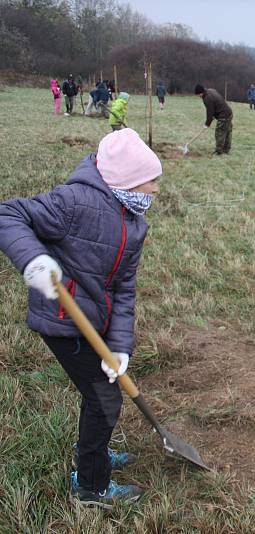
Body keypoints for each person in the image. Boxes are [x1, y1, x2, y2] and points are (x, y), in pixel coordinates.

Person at [0, 128, 163, 507]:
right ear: (124, 181)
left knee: (101, 396)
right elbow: (7, 214)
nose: (155, 189)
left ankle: (95, 455)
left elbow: (124, 289)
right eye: (149, 181)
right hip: (64, 321)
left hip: (98, 321)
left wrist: (120, 346)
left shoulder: (134, 222)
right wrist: (33, 261)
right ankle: (92, 486)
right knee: (105, 400)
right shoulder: (75, 203)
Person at [195, 84, 233, 155]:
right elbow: (215, 105)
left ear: (201, 92)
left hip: (223, 116)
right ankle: (226, 149)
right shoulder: (211, 90)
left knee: (219, 133)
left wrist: (207, 124)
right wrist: (214, 115)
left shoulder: (207, 98)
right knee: (227, 132)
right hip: (229, 113)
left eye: (198, 95)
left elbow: (210, 112)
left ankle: (219, 151)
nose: (198, 96)